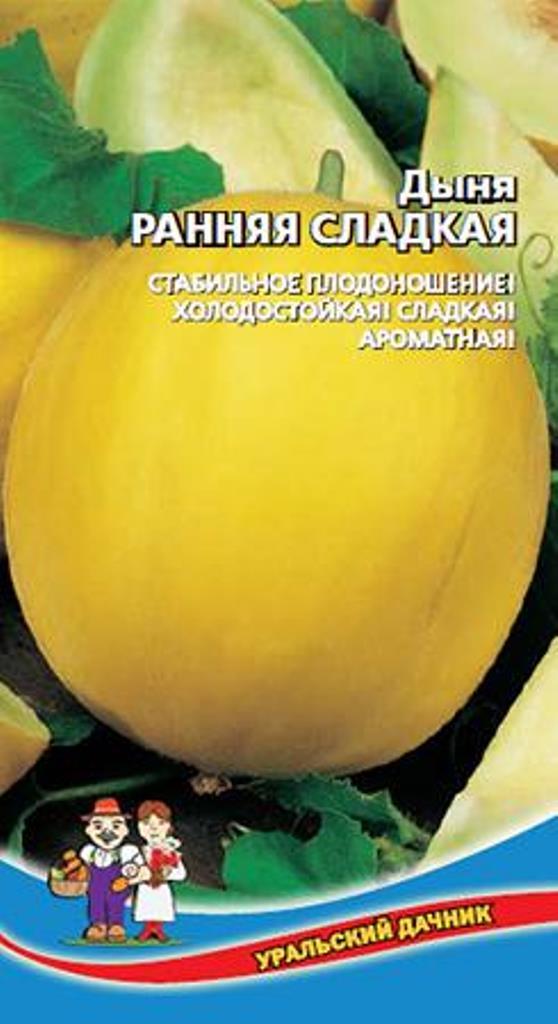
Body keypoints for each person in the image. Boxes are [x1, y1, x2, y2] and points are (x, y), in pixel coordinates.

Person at [77, 797, 143, 943]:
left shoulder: (127, 851)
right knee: (95, 903)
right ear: (88, 830)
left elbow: (139, 870)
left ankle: (116, 925)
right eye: (98, 826)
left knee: (115, 903)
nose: (107, 832)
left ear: (125, 830)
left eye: (116, 826)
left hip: (117, 886)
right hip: (94, 887)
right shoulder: (88, 851)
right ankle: (98, 925)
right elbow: (82, 868)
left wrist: (127, 880)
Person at [133, 800, 186, 942]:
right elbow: (132, 870)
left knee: (160, 908)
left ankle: (158, 929)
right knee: (147, 908)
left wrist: (168, 872)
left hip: (162, 886)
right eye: (147, 824)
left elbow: (181, 874)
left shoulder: (170, 852)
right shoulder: (141, 851)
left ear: (168, 827)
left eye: (160, 823)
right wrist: (139, 874)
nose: (154, 828)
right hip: (146, 885)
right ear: (139, 827)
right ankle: (147, 929)